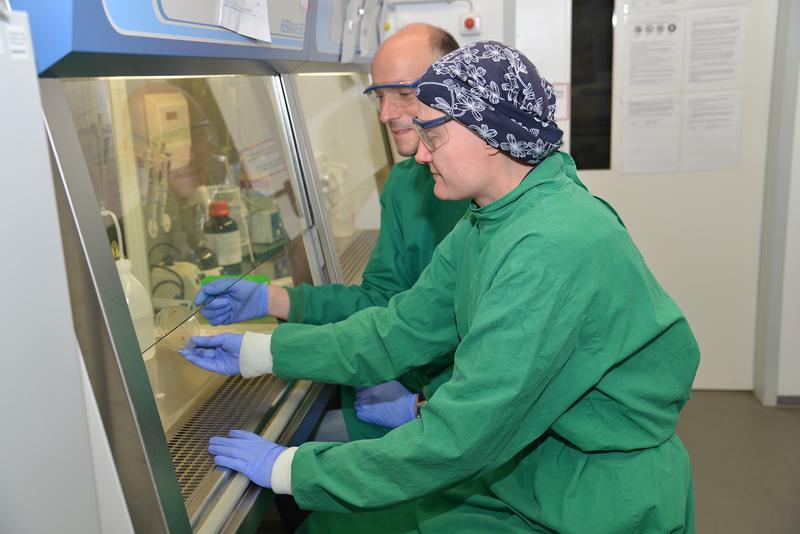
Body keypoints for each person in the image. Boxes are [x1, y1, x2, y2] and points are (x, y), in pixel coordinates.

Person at [182, 40, 700, 532]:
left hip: (595, 503)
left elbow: (461, 436)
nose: (422, 154)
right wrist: (261, 351)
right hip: (533, 474)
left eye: (433, 133)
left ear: (489, 133)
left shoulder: (552, 245)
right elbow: (396, 330)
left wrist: (293, 471)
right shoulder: (490, 218)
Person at [193, 23, 467, 441]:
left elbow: (496, 359)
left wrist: (422, 407)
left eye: (404, 95)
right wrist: (276, 298)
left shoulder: (485, 201)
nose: (385, 114)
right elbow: (383, 299)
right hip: (410, 378)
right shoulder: (405, 181)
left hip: (456, 411)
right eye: (378, 96)